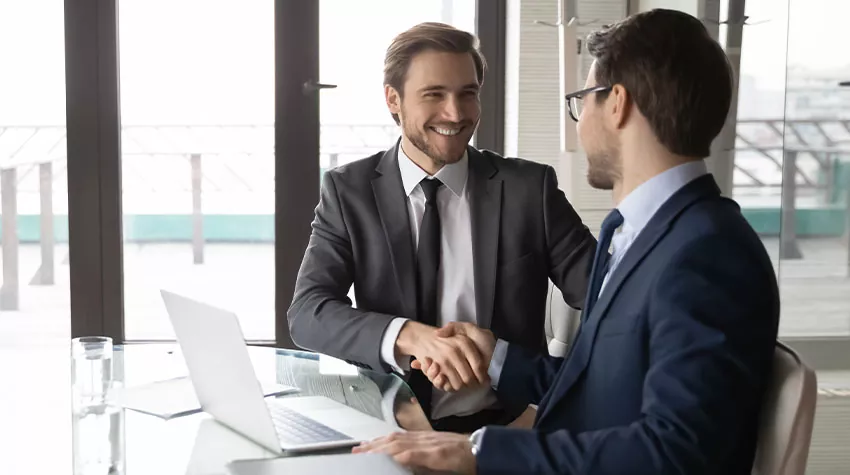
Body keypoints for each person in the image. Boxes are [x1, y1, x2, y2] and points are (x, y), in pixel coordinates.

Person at [354, 9, 780, 474]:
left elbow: (678, 453)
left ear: (617, 104)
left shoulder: (707, 255)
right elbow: (597, 388)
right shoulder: (637, 233)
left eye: (583, 99)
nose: (579, 121)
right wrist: (494, 356)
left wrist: (478, 453)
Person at [287, 22, 597, 433]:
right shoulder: (349, 192)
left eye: (467, 94)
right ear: (393, 100)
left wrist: (546, 406)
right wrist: (408, 335)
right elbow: (308, 312)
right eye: (434, 95)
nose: (455, 114)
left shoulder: (529, 189)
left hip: (506, 428)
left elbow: (611, 295)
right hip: (394, 425)